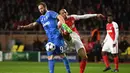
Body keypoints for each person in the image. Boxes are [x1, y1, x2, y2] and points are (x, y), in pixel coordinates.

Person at [17, 2, 72, 73]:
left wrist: (65, 26)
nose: (40, 10)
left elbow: (60, 17)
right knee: (50, 57)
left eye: (42, 8)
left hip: (57, 38)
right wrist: (23, 27)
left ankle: (69, 72)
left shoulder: (50, 13)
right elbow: (33, 24)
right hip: (50, 40)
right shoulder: (41, 18)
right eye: (39, 9)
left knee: (62, 56)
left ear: (45, 7)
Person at [58, 9, 104, 73]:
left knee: (84, 57)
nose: (64, 14)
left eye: (65, 12)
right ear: (60, 15)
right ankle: (67, 33)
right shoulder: (59, 23)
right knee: (65, 33)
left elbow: (84, 16)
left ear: (67, 13)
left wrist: (96, 15)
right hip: (67, 40)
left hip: (76, 38)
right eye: (62, 13)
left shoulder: (72, 17)